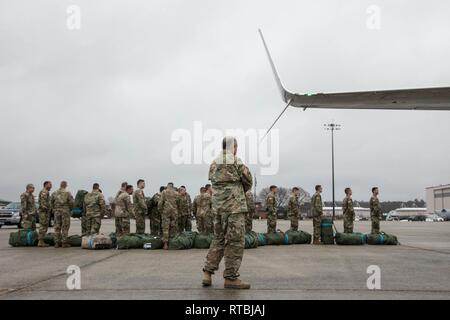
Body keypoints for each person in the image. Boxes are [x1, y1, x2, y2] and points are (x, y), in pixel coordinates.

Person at [202, 136, 253, 289]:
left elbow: (213, 181)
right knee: (235, 242)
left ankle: (207, 273)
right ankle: (230, 278)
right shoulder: (236, 161)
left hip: (217, 208)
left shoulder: (213, 163)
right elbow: (248, 181)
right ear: (234, 147)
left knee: (218, 239)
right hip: (234, 208)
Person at [51, 181, 74, 248]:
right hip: (65, 212)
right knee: (65, 227)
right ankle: (64, 243)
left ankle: (57, 243)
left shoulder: (54, 193)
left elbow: (51, 202)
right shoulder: (67, 193)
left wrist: (54, 209)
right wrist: (70, 209)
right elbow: (72, 203)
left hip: (57, 212)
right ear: (66, 185)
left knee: (57, 227)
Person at [158, 182, 180, 250]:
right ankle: (172, 243)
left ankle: (165, 244)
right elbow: (179, 203)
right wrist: (176, 210)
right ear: (173, 186)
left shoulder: (164, 192)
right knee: (173, 226)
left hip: (166, 212)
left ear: (167, 186)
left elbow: (160, 203)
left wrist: (160, 210)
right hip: (174, 212)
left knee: (165, 227)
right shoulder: (176, 193)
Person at [37, 181, 52, 247]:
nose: (51, 186)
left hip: (45, 212)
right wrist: (47, 209)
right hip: (44, 212)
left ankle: (41, 241)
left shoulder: (46, 192)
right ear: (46, 185)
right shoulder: (44, 192)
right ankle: (40, 242)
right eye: (50, 185)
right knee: (43, 226)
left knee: (44, 226)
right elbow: (43, 203)